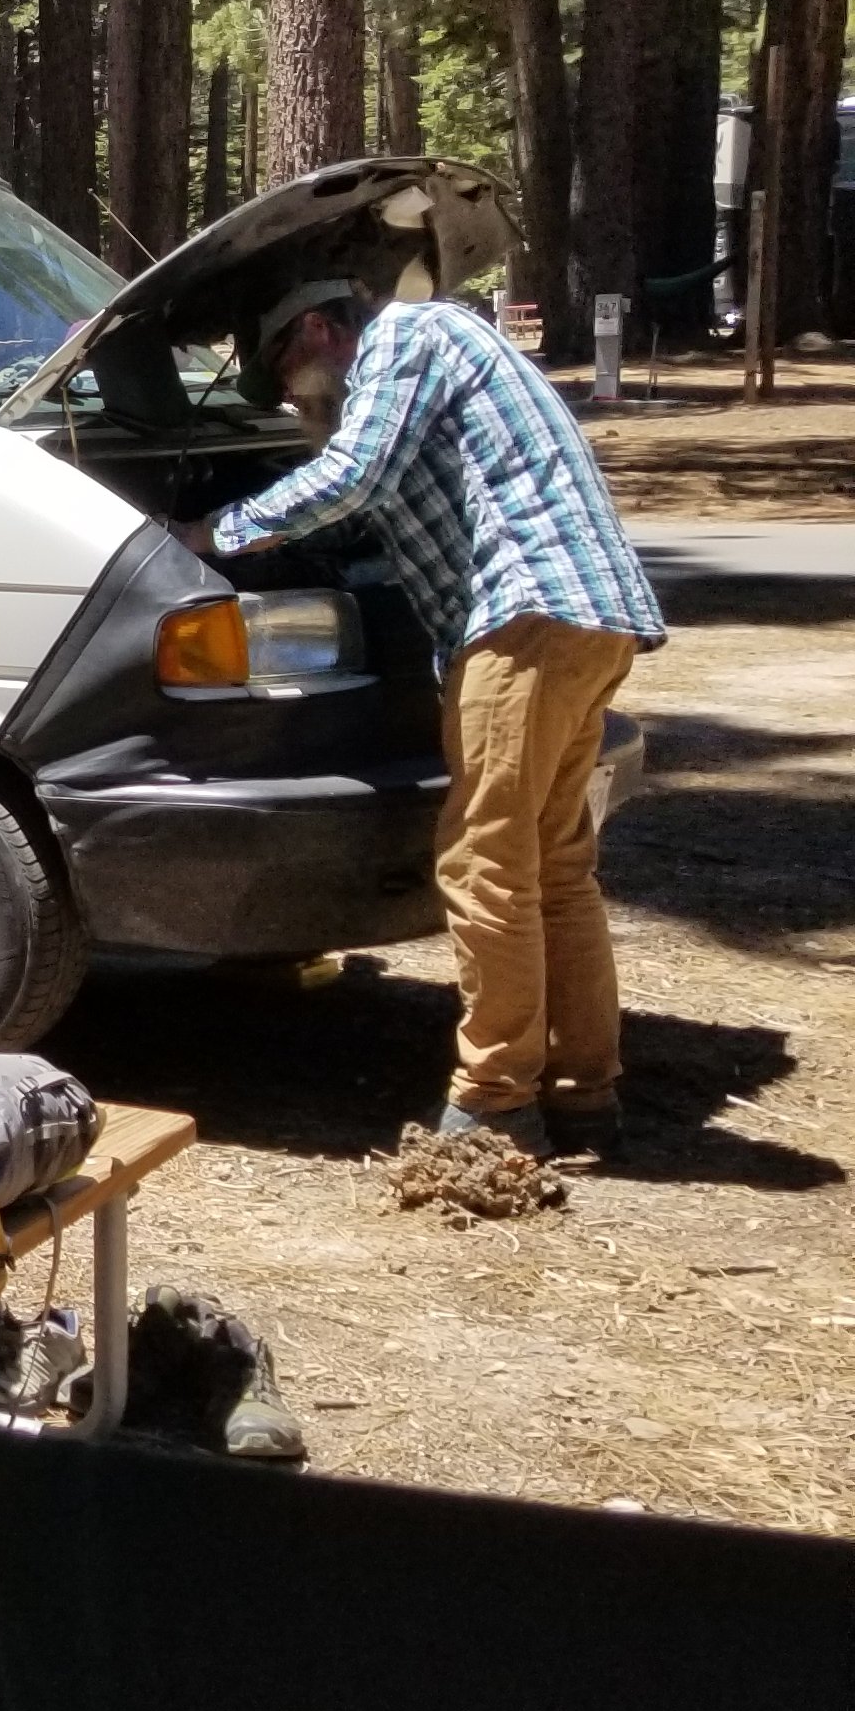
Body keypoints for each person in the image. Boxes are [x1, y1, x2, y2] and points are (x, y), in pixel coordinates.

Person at [195, 240, 663, 1159]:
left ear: (318, 330)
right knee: (553, 865)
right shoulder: (419, 371)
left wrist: (217, 532)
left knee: (486, 862)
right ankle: (584, 1092)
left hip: (526, 617)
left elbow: (351, 478)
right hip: (584, 617)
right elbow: (374, 516)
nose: (293, 397)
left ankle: (494, 1102)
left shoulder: (409, 336)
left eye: (285, 372)